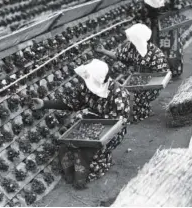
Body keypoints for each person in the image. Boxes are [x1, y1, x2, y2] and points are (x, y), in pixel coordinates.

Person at [31, 59, 131, 188]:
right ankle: (75, 171)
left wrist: (95, 137)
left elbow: (119, 124)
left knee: (88, 150)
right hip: (92, 123)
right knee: (69, 144)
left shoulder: (119, 94)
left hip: (111, 131)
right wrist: (44, 104)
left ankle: (94, 168)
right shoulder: (86, 87)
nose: (86, 81)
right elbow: (70, 103)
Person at [95, 23, 169, 122]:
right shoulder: (130, 47)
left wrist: (145, 81)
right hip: (137, 80)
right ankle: (138, 110)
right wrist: (104, 51)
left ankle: (141, 111)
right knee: (126, 97)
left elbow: (161, 75)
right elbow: (118, 55)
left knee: (134, 100)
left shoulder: (156, 53)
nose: (131, 41)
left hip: (151, 83)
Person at [135, 0, 189, 77]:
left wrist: (173, 15)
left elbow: (183, 9)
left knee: (173, 49)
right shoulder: (146, 3)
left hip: (171, 27)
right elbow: (141, 19)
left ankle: (175, 70)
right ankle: (160, 70)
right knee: (158, 49)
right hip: (155, 29)